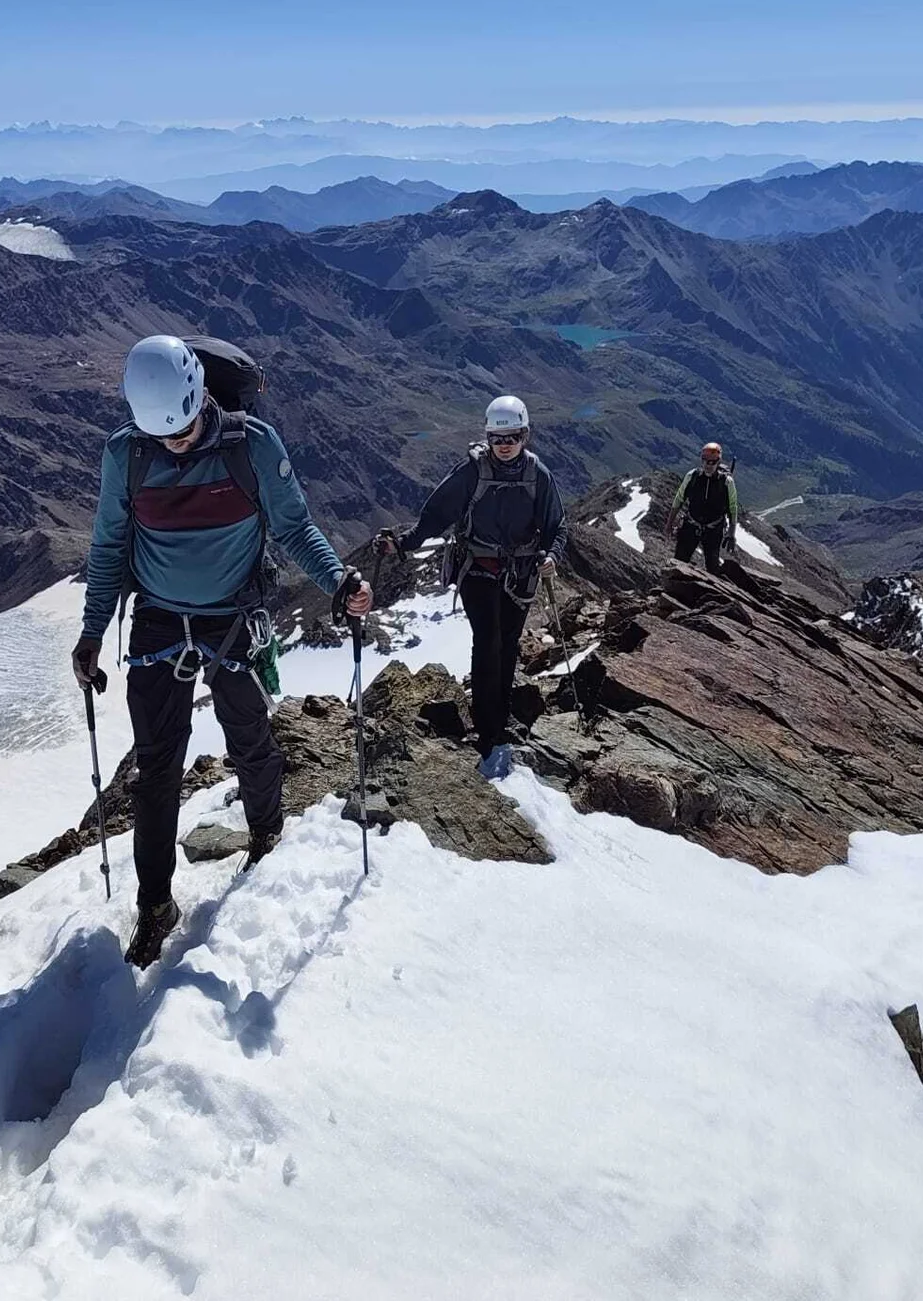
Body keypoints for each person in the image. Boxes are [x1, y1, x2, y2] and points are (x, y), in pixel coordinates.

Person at [74, 335, 373, 967]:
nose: (175, 444)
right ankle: (155, 903)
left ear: (201, 395)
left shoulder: (251, 444)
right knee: (157, 771)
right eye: (164, 437)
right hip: (159, 622)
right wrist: (92, 633)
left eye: (183, 430)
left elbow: (294, 527)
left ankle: (266, 832)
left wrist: (339, 579)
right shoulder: (127, 454)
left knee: (248, 732)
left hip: (234, 616)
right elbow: (106, 550)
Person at [375, 396, 566, 781]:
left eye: (512, 436)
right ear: (488, 437)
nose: (505, 444)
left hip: (521, 572)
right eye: (498, 438)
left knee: (508, 643)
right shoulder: (471, 472)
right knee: (489, 639)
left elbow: (557, 524)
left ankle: (498, 715)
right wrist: (404, 542)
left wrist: (552, 555)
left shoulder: (537, 474)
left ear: (525, 435)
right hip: (478, 569)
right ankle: (488, 727)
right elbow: (436, 515)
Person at [667, 441, 739, 570]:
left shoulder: (727, 482)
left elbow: (733, 509)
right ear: (702, 460)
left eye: (713, 462)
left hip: (714, 529)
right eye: (706, 461)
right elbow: (678, 500)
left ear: (718, 461)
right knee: (679, 563)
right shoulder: (692, 476)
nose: (709, 465)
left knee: (712, 566)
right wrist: (669, 523)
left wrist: (731, 534)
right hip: (691, 525)